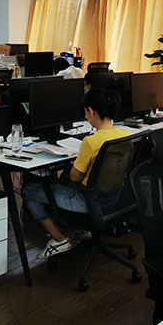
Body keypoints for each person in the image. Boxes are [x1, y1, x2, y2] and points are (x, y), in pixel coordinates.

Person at [22, 88, 129, 259]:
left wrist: (63, 173)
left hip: (88, 201)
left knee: (28, 191)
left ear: (91, 111)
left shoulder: (91, 141)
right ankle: (79, 231)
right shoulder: (124, 134)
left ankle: (59, 239)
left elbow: (74, 177)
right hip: (114, 198)